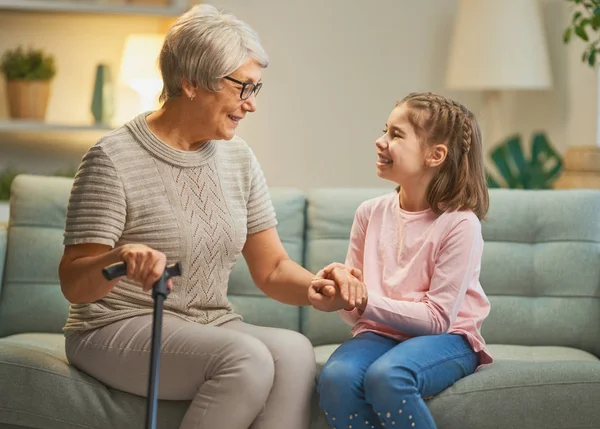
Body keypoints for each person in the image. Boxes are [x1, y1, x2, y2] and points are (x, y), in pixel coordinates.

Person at [58, 5, 336, 429]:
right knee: (246, 358)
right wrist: (120, 258)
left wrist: (318, 287)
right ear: (190, 82)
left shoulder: (238, 158)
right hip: (113, 327)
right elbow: (74, 284)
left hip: (207, 323)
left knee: (296, 352)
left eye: (255, 89)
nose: (251, 104)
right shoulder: (113, 158)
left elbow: (274, 268)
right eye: (242, 87)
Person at [308, 92, 494, 429]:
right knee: (336, 378)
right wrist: (341, 295)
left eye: (396, 135)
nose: (380, 142)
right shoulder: (369, 213)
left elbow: (438, 318)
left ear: (435, 155)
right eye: (385, 130)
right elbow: (356, 313)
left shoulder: (460, 224)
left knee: (388, 376)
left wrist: (365, 299)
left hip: (449, 338)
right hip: (379, 333)